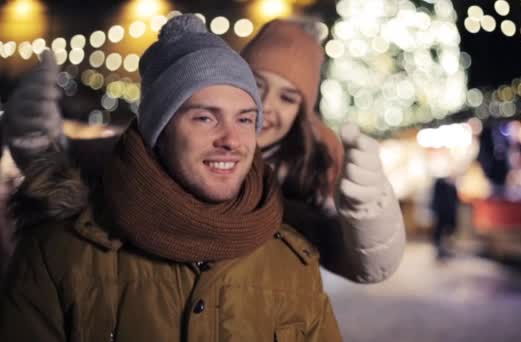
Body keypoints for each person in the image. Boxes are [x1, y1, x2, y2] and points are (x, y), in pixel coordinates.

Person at [0, 14, 342, 341]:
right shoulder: (60, 255)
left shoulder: (291, 263)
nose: (231, 141)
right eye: (205, 118)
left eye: (244, 120)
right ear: (158, 130)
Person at [3, 18, 405, 283]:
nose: (266, 109)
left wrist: (370, 210)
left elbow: (366, 265)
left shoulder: (298, 181)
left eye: (288, 97)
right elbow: (69, 177)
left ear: (303, 111)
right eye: (257, 86)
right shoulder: (144, 156)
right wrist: (34, 136)